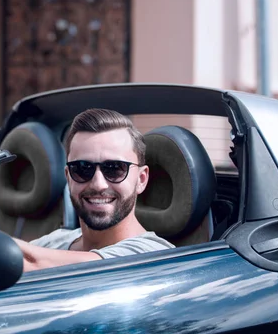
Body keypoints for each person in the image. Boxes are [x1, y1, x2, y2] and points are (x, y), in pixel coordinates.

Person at [13, 108, 174, 272]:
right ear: (68, 177)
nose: (98, 184)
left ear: (141, 179)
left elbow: (28, 262)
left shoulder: (155, 255)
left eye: (114, 168)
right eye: (82, 169)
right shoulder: (56, 241)